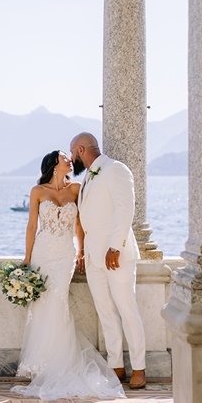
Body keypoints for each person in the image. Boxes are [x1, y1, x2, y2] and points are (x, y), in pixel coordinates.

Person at [12, 150, 125, 400]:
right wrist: (27, 259)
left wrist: (82, 251)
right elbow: (32, 226)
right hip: (43, 252)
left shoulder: (76, 189)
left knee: (58, 300)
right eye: (65, 156)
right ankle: (40, 363)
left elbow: (80, 225)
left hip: (65, 255)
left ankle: (59, 363)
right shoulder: (38, 192)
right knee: (42, 304)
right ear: (54, 164)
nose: (69, 159)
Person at [69, 132, 147, 390]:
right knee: (105, 312)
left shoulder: (116, 169)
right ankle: (116, 365)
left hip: (116, 255)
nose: (71, 159)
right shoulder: (88, 178)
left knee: (127, 309)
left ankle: (139, 368)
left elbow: (126, 209)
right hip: (93, 257)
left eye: (72, 153)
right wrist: (82, 252)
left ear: (80, 149)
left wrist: (116, 247)